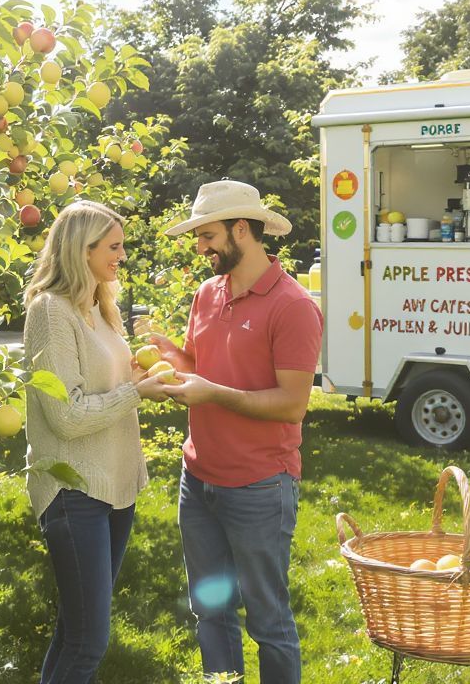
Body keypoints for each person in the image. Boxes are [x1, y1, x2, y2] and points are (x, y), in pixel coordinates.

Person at [152, 180, 323, 684]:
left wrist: (213, 393)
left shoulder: (292, 306)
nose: (201, 248)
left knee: (268, 621)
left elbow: (292, 405)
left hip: (258, 486)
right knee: (212, 612)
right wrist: (170, 356)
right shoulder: (207, 294)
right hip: (198, 477)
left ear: (241, 229)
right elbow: (201, 369)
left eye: (207, 236)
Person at [22, 199, 168, 684]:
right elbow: (64, 416)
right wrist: (135, 392)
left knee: (75, 629)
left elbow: (105, 382)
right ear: (81, 250)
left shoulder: (99, 307)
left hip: (115, 486)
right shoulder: (50, 312)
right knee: (89, 641)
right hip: (75, 490)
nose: (122, 255)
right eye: (113, 246)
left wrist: (139, 372)